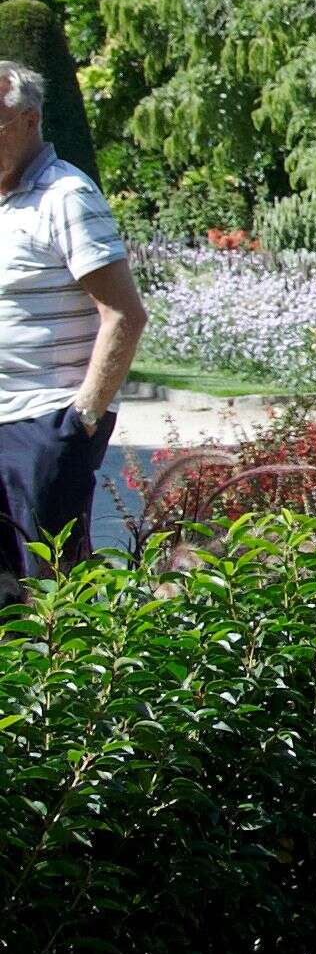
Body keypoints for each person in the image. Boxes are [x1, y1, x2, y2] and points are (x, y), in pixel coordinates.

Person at [0, 59, 144, 596]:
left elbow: (125, 314)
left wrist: (80, 419)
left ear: (29, 120)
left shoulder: (66, 196)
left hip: (42, 423)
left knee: (53, 597)